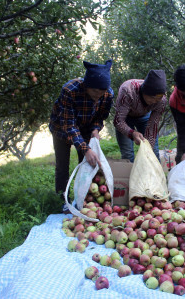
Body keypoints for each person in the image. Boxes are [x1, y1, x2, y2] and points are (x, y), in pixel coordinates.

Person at [49, 60, 113, 213]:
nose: (98, 97)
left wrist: (96, 129)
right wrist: (86, 148)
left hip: (85, 128)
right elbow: (69, 125)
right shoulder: (70, 90)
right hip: (61, 129)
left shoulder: (108, 94)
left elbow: (100, 117)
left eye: (101, 93)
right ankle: (62, 199)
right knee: (62, 166)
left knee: (86, 164)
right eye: (95, 93)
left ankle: (83, 198)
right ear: (86, 86)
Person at [114, 70, 167, 162]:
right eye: (152, 97)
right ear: (144, 91)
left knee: (153, 151)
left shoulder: (161, 101)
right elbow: (118, 121)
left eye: (158, 99)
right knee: (128, 153)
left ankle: (154, 175)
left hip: (145, 117)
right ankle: (128, 175)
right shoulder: (128, 91)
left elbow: (152, 126)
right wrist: (132, 133)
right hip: (125, 118)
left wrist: (148, 147)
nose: (154, 101)